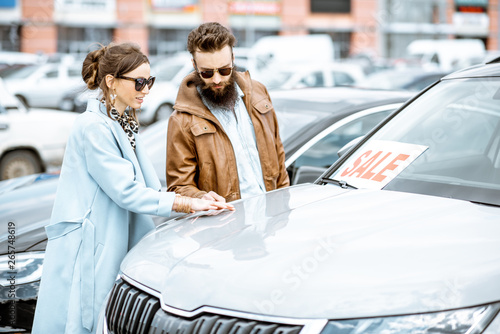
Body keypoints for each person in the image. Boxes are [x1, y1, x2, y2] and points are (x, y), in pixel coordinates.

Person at [31, 42, 233, 334]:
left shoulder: (122, 120)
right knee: (83, 322)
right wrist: (189, 204)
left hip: (111, 241)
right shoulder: (93, 127)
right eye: (139, 82)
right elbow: (126, 191)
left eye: (149, 81)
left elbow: (149, 187)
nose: (146, 89)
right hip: (92, 248)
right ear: (111, 82)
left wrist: (197, 198)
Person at [166, 22, 290, 202]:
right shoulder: (182, 120)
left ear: (233, 58)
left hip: (271, 219)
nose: (217, 79)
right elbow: (179, 187)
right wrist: (202, 198)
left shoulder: (258, 93)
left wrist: (283, 205)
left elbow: (279, 159)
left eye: (224, 70)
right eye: (207, 73)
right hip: (228, 225)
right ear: (194, 65)